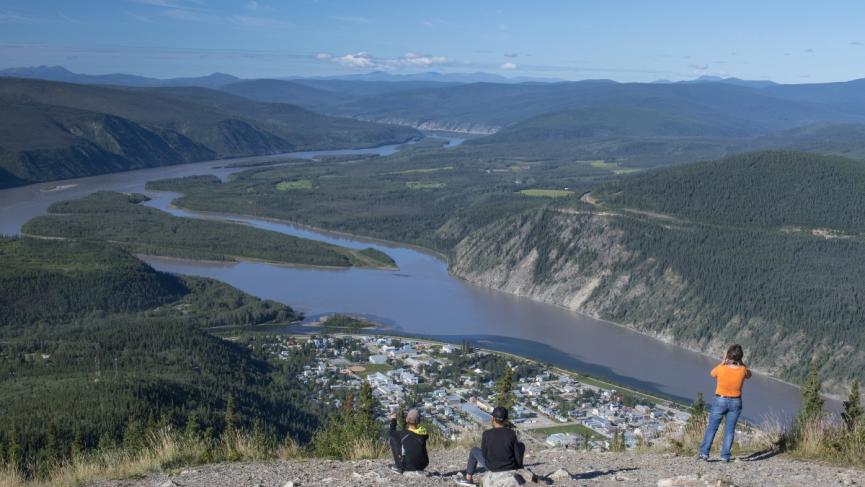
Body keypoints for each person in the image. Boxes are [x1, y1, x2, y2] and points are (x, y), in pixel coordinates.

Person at [698, 344, 752, 462]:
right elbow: (749, 375)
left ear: (728, 355)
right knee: (730, 430)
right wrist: (741, 363)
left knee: (712, 428)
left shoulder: (721, 368)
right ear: (740, 357)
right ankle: (725, 456)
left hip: (720, 400)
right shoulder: (743, 370)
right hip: (736, 402)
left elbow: (712, 373)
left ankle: (704, 454)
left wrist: (723, 362)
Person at [457, 406, 531, 486]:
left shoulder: (486, 434)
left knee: (474, 450)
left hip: (492, 467)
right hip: (510, 467)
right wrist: (518, 467)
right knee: (521, 445)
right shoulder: (511, 433)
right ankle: (520, 468)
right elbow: (516, 454)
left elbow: (485, 454)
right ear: (505, 420)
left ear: (493, 418)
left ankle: (468, 478)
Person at [388, 408, 429, 474]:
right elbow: (412, 435)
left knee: (393, 438)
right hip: (423, 464)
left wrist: (393, 419)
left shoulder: (403, 434)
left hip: (408, 466)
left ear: (407, 420)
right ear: (419, 421)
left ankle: (398, 466)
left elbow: (391, 432)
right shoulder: (424, 433)